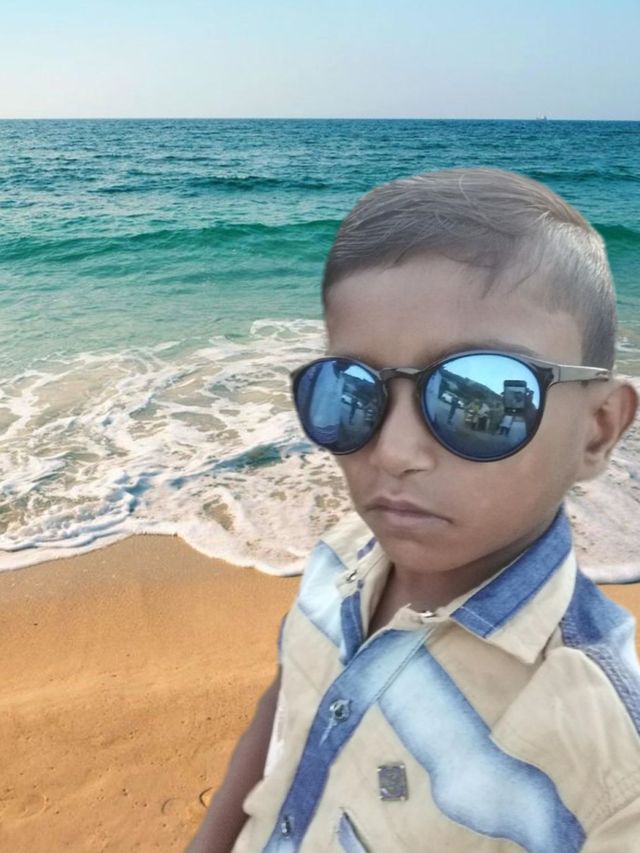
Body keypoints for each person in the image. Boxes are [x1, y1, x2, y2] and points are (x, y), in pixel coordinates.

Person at [188, 168, 639, 852]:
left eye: (481, 395)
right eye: (351, 389)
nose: (393, 451)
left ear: (598, 429)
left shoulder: (610, 762)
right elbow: (286, 712)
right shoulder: (338, 555)